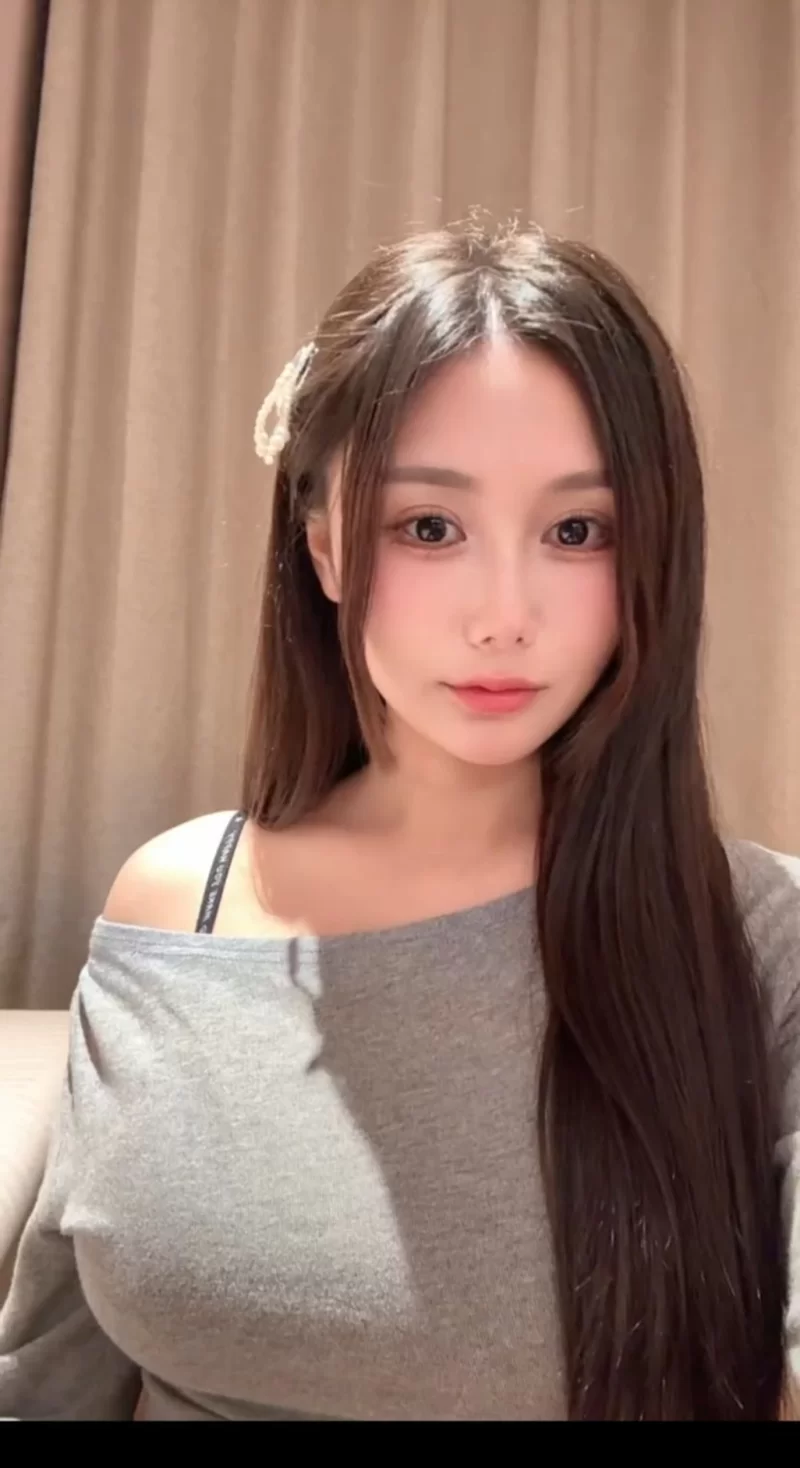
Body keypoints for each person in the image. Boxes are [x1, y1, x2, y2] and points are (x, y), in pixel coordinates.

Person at [0, 220, 798, 1422]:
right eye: (429, 526)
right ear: (324, 543)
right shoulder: (176, 900)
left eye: (576, 531)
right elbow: (52, 1373)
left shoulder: (754, 938)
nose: (503, 614)